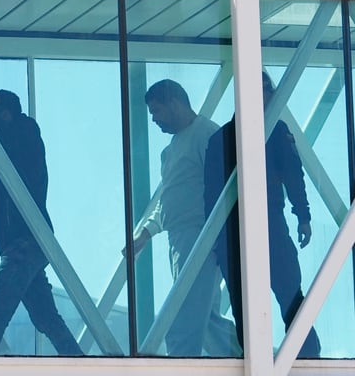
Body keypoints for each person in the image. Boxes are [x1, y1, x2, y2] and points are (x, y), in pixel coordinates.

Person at [204, 72, 320, 358]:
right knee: (281, 296)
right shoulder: (237, 137)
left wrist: (302, 214)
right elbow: (293, 174)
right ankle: (298, 360)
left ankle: (297, 359)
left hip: (251, 231)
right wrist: (302, 216)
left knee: (277, 298)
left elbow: (293, 175)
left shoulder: (227, 138)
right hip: (253, 231)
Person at [129, 80, 240, 357]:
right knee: (205, 318)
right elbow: (168, 198)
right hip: (179, 239)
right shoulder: (169, 151)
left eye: (157, 111)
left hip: (201, 236)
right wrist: (146, 233)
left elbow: (225, 187)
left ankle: (177, 371)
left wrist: (216, 236)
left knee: (182, 311)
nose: (154, 119)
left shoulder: (207, 135)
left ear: (174, 104)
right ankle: (242, 357)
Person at [0, 90, 83, 356]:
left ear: (5, 114)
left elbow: (20, 151)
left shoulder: (23, 131)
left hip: (25, 239)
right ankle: (77, 361)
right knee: (45, 315)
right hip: (22, 240)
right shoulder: (7, 146)